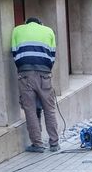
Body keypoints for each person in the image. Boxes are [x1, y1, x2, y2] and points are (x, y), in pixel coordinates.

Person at [11, 17, 59, 153]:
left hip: (25, 74)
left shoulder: (17, 30)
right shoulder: (48, 31)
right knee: (49, 109)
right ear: (41, 23)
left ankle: (37, 144)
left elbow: (15, 53)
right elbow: (52, 56)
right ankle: (54, 143)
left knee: (30, 110)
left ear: (26, 23)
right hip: (44, 75)